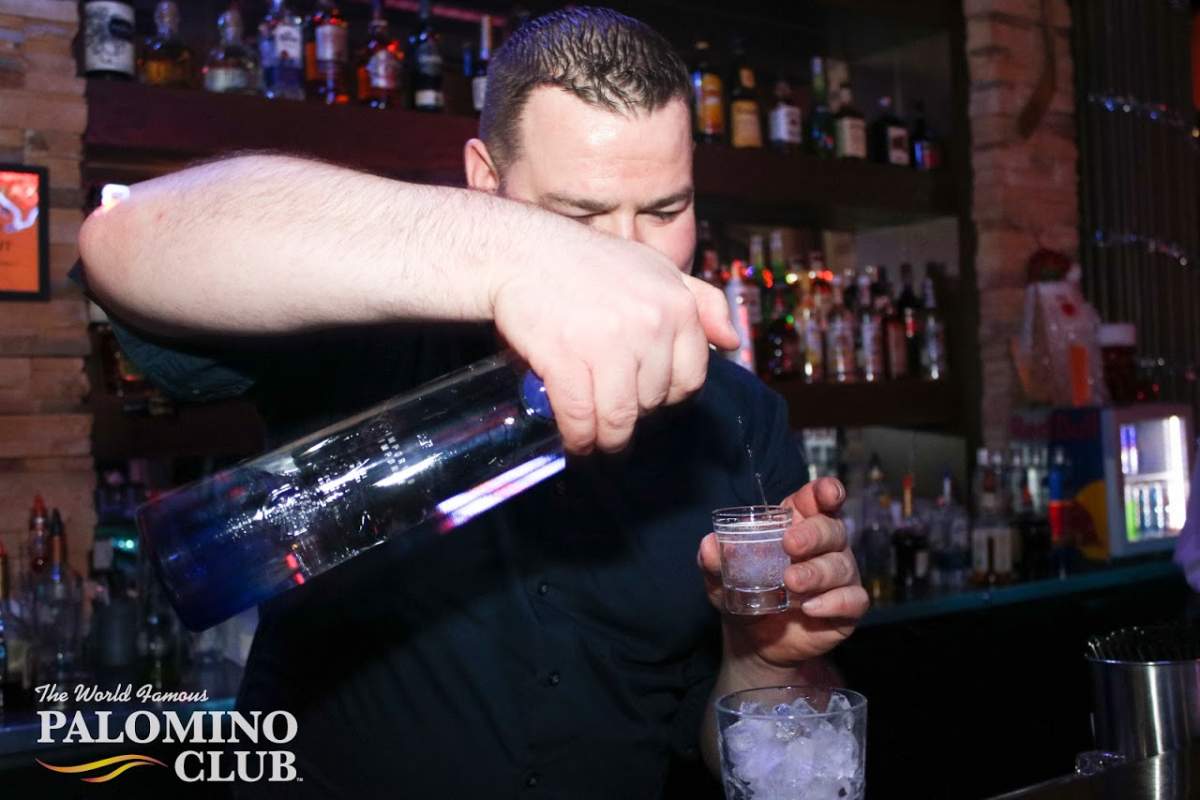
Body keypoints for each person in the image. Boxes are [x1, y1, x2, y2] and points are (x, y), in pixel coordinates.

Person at [77, 7, 868, 797]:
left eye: (666, 212)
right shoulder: (370, 338)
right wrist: (517, 252)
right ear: (487, 182)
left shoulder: (740, 422)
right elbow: (124, 242)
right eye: (579, 215)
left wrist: (759, 661)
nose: (634, 259)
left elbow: (736, 752)